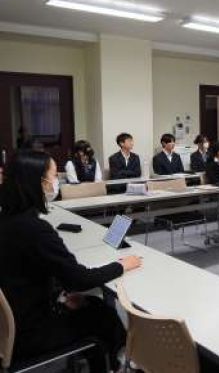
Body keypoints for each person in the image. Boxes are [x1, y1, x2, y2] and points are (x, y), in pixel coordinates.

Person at [0, 150, 142, 372]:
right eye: (54, 176)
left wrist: (59, 296)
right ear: (37, 182)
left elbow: (25, 272)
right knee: (103, 316)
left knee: (93, 305)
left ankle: (107, 361)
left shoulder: (8, 220)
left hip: (13, 324)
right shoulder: (35, 230)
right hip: (29, 335)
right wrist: (121, 265)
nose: (56, 183)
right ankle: (120, 363)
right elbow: (80, 279)